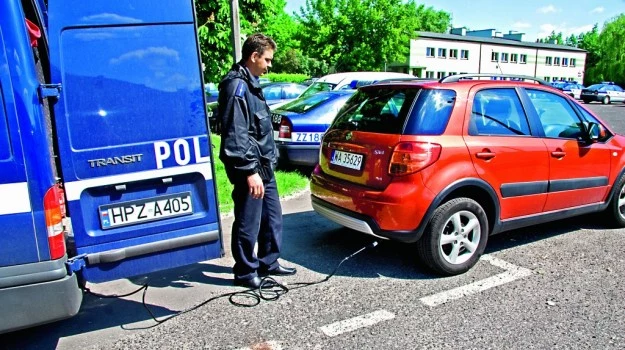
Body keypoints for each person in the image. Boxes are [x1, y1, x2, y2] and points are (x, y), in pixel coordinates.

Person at [217, 33, 296, 288]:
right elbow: (236, 134)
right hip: (250, 167)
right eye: (268, 60)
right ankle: (245, 272)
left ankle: (269, 262)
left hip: (264, 165)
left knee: (272, 217)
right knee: (248, 223)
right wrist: (249, 171)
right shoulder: (236, 86)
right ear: (254, 56)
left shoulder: (252, 83)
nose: (270, 65)